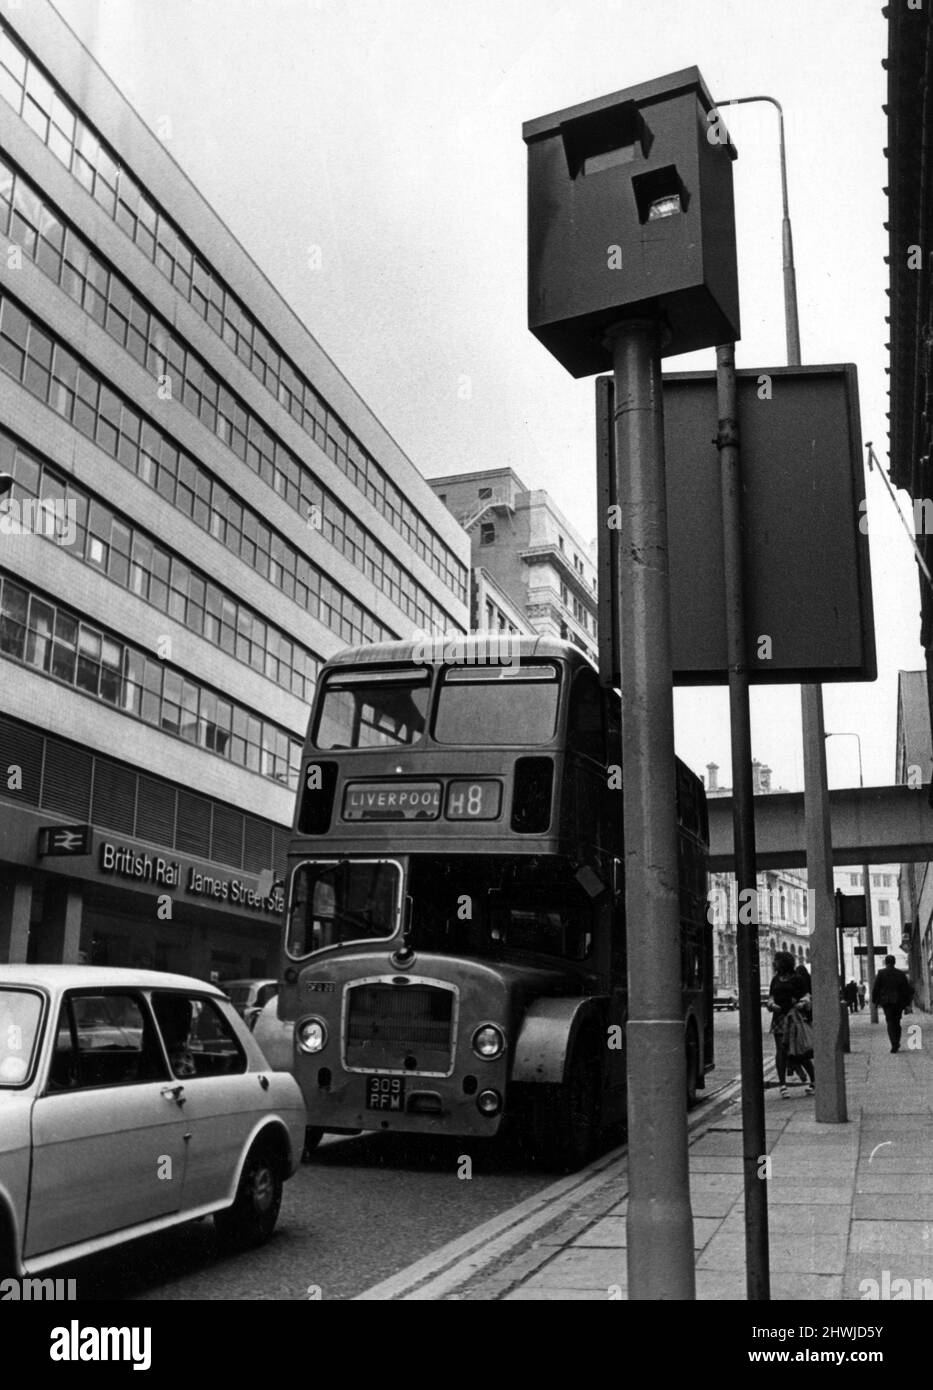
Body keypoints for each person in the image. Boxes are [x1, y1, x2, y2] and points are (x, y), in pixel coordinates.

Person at [768, 950, 815, 1097]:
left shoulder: (797, 979)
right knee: (781, 1052)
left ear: (784, 962)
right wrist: (771, 1004)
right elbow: (771, 997)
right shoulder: (775, 980)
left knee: (799, 1051)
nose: (774, 962)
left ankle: (814, 1080)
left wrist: (801, 1004)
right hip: (779, 1019)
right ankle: (783, 1085)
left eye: (776, 960)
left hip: (794, 1018)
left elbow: (807, 996)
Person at [871, 955, 914, 1053]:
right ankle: (897, 1041)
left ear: (885, 962)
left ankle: (894, 1043)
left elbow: (876, 988)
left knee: (890, 1022)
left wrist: (875, 1001)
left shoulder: (881, 973)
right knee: (897, 1022)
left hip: (887, 1002)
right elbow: (906, 989)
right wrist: (907, 1003)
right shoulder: (900, 974)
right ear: (894, 962)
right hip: (898, 1002)